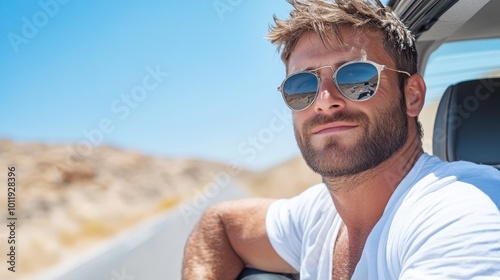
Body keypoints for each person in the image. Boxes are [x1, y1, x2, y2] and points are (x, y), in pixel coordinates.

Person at [182, 0, 500, 279]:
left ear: (412, 96)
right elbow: (220, 225)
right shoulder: (319, 215)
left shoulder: (461, 214)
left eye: (356, 77)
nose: (323, 101)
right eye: (302, 86)